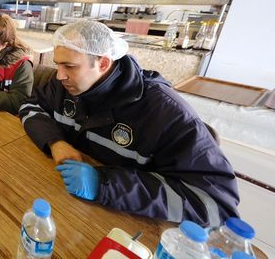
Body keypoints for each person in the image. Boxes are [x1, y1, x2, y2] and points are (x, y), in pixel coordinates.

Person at [18, 20, 239, 226]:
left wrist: (105, 184)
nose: (59, 76)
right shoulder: (66, 86)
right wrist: (55, 142)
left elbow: (215, 204)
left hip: (125, 225)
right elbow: (30, 107)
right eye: (58, 65)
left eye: (70, 66)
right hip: (64, 208)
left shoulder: (165, 112)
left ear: (104, 62)